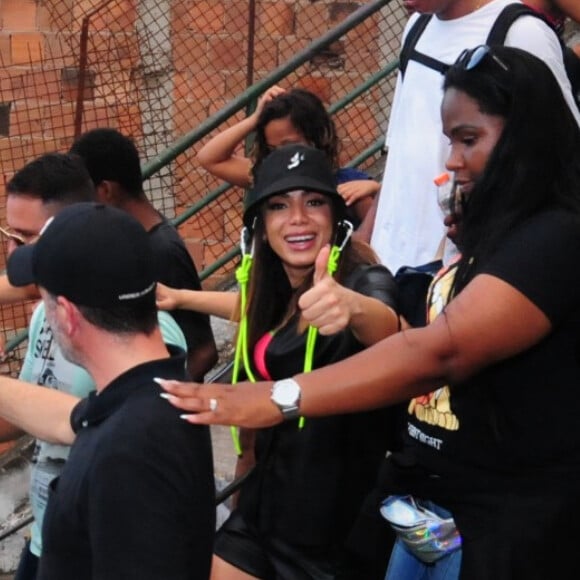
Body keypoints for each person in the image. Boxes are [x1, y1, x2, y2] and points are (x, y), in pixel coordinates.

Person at [157, 46, 580, 579]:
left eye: (468, 140)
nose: (452, 160)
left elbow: (432, 345)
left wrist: (277, 397)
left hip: (505, 531)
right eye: (278, 206)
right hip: (422, 517)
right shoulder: (492, 238)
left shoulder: (557, 237)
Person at [158, 143, 400, 579]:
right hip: (260, 515)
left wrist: (353, 308)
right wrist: (178, 297)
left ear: (335, 217)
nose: (298, 219)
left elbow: (391, 333)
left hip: (332, 537)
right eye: (278, 205)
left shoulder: (364, 280)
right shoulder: (273, 289)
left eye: (314, 202)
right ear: (260, 226)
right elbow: (245, 309)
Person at [1, 202, 215, 579]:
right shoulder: (147, 396)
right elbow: (70, 418)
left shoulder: (129, 451)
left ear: (66, 315)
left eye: (43, 297)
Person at [359, 0, 580, 274]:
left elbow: (561, 156)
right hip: (388, 267)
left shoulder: (519, 32)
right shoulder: (416, 27)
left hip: (459, 274)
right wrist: (364, 238)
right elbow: (399, 156)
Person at [69, 128, 218, 381]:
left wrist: (149, 401)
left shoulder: (162, 252)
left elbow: (204, 351)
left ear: (105, 190)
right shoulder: (130, 241)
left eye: (83, 194)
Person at [196, 86, 380, 226]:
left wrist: (377, 189)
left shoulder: (350, 188)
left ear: (317, 137)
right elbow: (209, 158)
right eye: (273, 148)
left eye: (290, 145)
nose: (282, 155)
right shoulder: (269, 177)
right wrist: (255, 119)